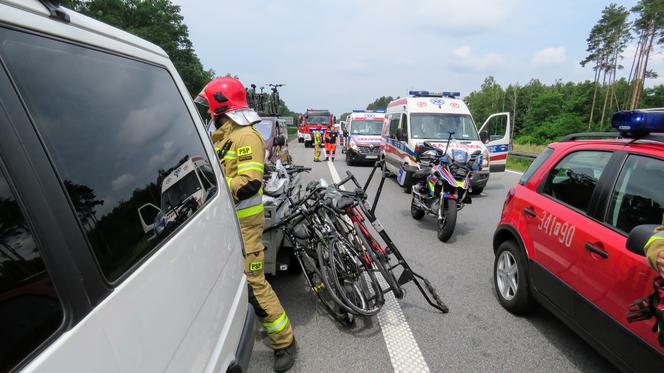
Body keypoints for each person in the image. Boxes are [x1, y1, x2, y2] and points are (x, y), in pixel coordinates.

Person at [198, 77, 296, 372]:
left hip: (244, 228)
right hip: (225, 225)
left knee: (254, 283)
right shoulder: (222, 136)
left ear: (221, 105)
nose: (208, 113)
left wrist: (212, 182)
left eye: (210, 106)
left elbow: (249, 184)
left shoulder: (246, 137)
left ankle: (284, 341)